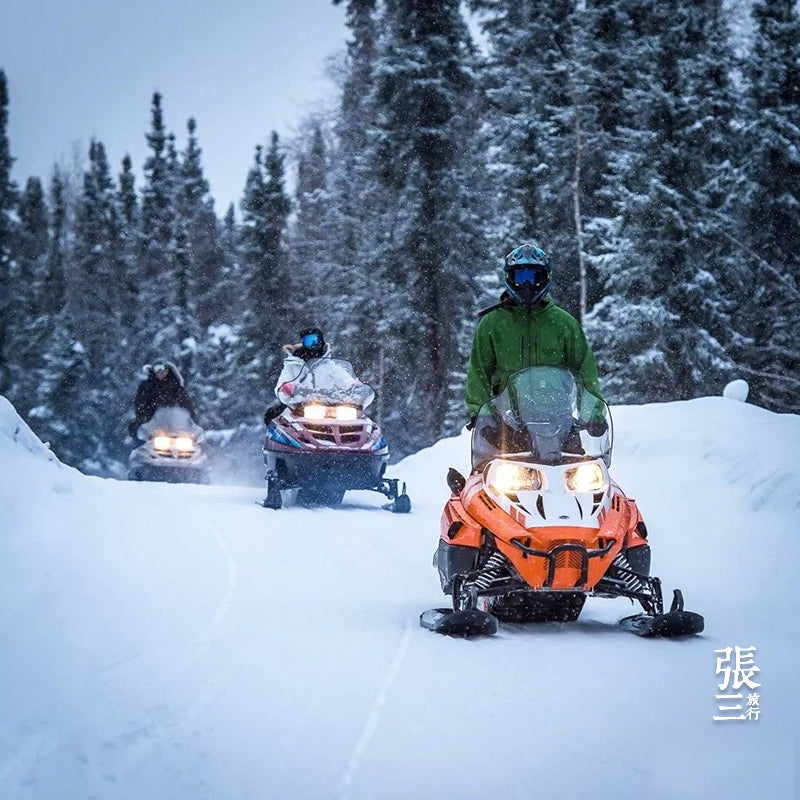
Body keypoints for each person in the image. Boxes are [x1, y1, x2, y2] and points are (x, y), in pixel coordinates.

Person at [465, 243, 604, 427]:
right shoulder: (492, 324)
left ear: (546, 278)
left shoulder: (564, 323)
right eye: (521, 277)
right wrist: (481, 414)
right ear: (509, 277)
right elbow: (478, 371)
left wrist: (592, 415)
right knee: (492, 456)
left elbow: (585, 370)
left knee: (586, 457)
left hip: (559, 424)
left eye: (533, 277)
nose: (527, 285)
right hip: (507, 427)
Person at [263, 327, 331, 425]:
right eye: (309, 341)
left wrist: (354, 384)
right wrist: (287, 389)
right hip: (299, 405)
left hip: (328, 405)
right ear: (303, 343)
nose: (313, 345)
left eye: (316, 341)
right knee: (275, 417)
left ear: (322, 341)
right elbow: (283, 382)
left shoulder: (328, 364)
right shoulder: (293, 364)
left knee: (351, 417)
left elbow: (343, 378)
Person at [128, 361, 197, 437]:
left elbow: (186, 403)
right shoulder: (146, 386)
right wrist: (143, 418)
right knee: (139, 439)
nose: (161, 371)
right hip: (151, 424)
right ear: (153, 371)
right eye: (157, 369)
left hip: (175, 425)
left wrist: (191, 419)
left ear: (168, 370)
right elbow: (140, 403)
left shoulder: (176, 386)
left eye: (163, 369)